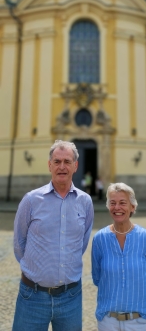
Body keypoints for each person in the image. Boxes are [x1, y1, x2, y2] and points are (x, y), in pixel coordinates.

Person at [13, 140, 94, 331]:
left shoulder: (85, 201)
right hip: (32, 296)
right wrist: (37, 271)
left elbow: (81, 243)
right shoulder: (31, 200)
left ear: (76, 166)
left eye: (67, 161)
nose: (62, 167)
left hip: (70, 297)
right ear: (49, 165)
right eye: (57, 161)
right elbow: (19, 243)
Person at [92, 182, 146, 331]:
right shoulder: (99, 239)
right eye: (113, 203)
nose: (117, 207)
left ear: (133, 207)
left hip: (139, 321)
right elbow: (97, 277)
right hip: (108, 321)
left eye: (123, 203)